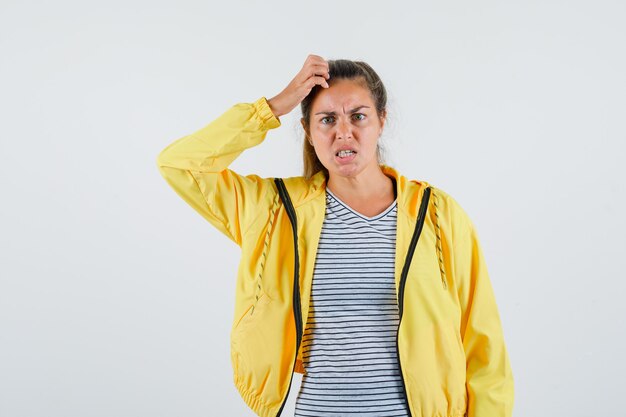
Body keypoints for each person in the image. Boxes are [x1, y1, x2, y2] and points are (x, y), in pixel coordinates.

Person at [156, 54, 514, 417]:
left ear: (381, 122)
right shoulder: (275, 211)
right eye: (327, 120)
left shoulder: (437, 214)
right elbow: (179, 164)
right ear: (309, 132)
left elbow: (484, 345)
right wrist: (273, 107)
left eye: (358, 116)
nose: (344, 132)